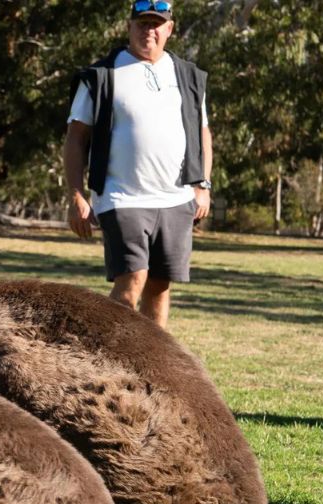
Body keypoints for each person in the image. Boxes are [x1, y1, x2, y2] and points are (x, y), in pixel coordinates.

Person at [64, 0, 213, 329]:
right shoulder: (101, 76)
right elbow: (75, 139)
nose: (150, 30)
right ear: (129, 27)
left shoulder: (188, 77)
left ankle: (153, 368)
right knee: (133, 277)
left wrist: (203, 185)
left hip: (175, 198)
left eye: (157, 24)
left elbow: (203, 134)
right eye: (142, 23)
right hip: (122, 197)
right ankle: (111, 357)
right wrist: (76, 195)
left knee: (160, 285)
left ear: (169, 29)